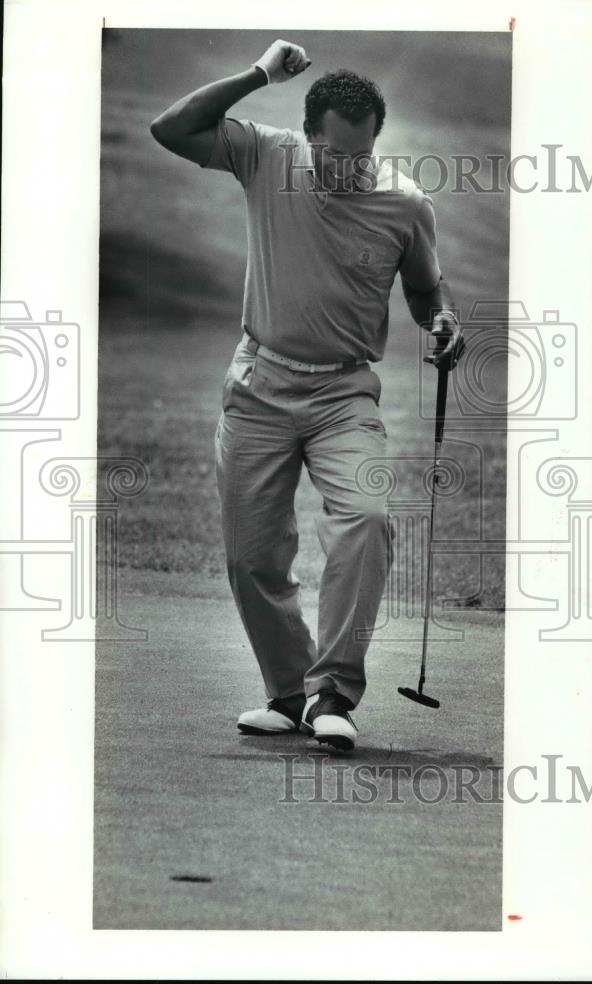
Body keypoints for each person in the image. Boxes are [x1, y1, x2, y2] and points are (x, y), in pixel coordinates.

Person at [150, 39, 464, 752]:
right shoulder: (267, 154)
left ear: (375, 145)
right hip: (260, 382)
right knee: (252, 555)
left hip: (344, 393)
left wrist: (441, 319)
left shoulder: (404, 206)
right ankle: (288, 694)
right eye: (333, 155)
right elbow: (171, 128)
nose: (346, 169)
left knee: (367, 519)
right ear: (307, 137)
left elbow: (424, 287)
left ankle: (333, 693)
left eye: (360, 157)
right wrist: (259, 74)